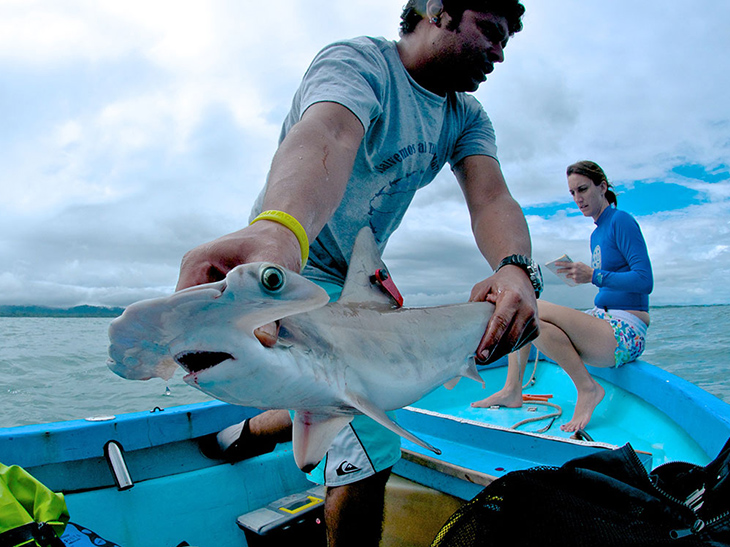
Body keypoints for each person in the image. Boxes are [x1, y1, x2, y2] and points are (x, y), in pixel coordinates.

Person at [176, 1, 539, 545]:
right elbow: (328, 135)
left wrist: (515, 269)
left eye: (507, 39)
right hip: (295, 262)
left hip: (362, 273)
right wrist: (280, 230)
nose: (500, 52)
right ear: (437, 10)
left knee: (372, 388)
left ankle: (248, 432)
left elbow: (490, 197)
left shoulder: (466, 116)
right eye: (489, 30)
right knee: (370, 434)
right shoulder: (359, 63)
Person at [473, 160, 653, 433]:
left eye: (582, 189)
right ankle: (512, 390)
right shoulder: (596, 235)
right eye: (572, 193)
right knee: (528, 318)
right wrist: (583, 277)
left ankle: (588, 389)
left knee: (528, 304)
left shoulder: (621, 221)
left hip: (625, 332)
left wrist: (593, 275)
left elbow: (644, 280)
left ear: (602, 187)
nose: (578, 198)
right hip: (602, 320)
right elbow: (611, 282)